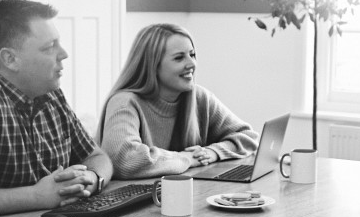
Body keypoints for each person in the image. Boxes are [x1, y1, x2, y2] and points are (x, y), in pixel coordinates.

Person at [96, 23, 258, 179]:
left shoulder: (199, 97)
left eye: (192, 55)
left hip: (184, 191)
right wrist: (186, 158)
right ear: (152, 66)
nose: (192, 64)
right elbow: (123, 159)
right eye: (179, 58)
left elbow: (248, 137)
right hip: (137, 196)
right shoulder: (124, 102)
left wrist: (212, 152)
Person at [0, 0, 113, 215]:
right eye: (50, 47)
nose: (64, 54)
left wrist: (92, 178)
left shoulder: (52, 95)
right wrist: (35, 196)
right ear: (10, 59)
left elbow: (97, 157)